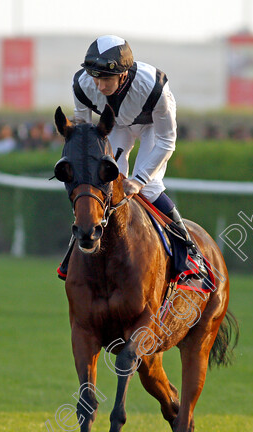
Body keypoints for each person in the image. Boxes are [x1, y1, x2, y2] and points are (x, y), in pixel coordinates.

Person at [58, 35, 204, 279]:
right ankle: (78, 248)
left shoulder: (154, 88)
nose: (99, 86)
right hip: (117, 125)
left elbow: (168, 140)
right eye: (96, 77)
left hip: (152, 128)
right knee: (107, 184)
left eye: (106, 79)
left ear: (123, 75)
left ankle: (189, 252)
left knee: (150, 189)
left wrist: (139, 179)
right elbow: (83, 127)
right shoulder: (82, 84)